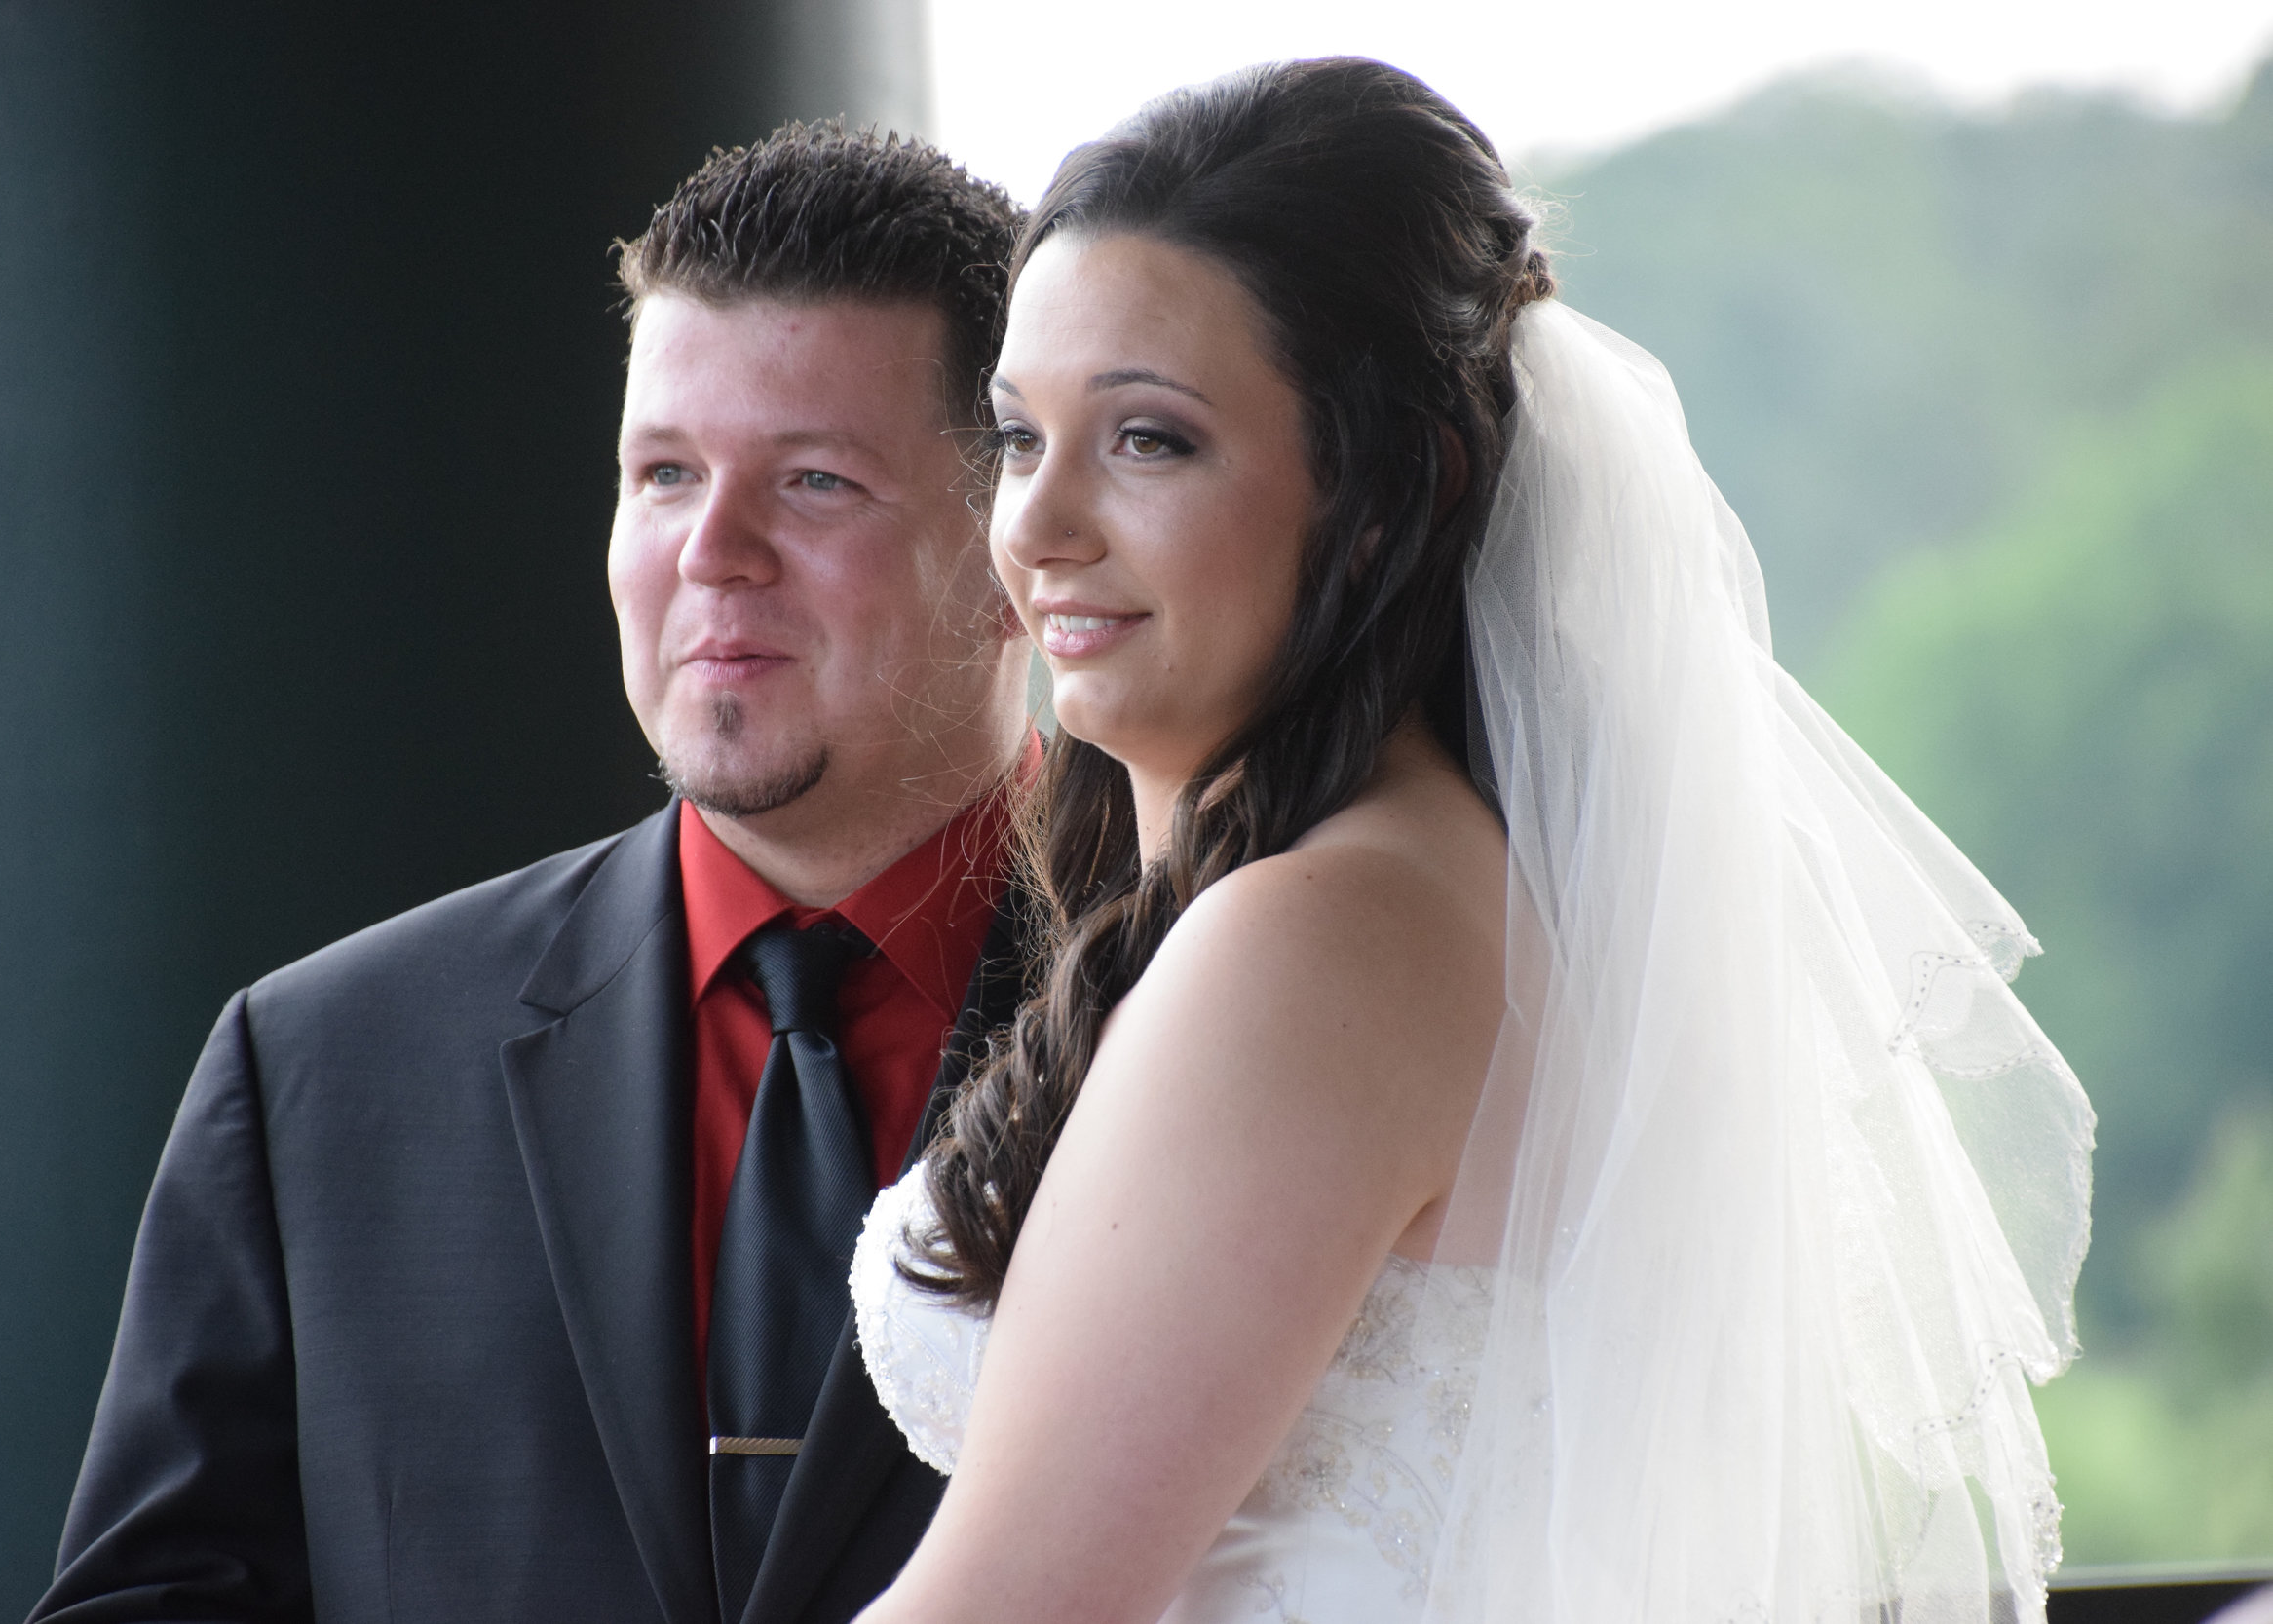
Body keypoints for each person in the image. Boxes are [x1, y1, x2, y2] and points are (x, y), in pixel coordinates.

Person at [848, 58, 2095, 1624]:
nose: (1036, 526)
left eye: (1149, 441)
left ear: (1386, 489)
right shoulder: (1434, 887)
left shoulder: (1315, 941)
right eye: (1020, 438)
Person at [31, 125, 1034, 1624]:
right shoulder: (317, 1066)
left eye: (815, 481)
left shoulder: (1214, 1008)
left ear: (1019, 533)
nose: (713, 551)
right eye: (663, 472)